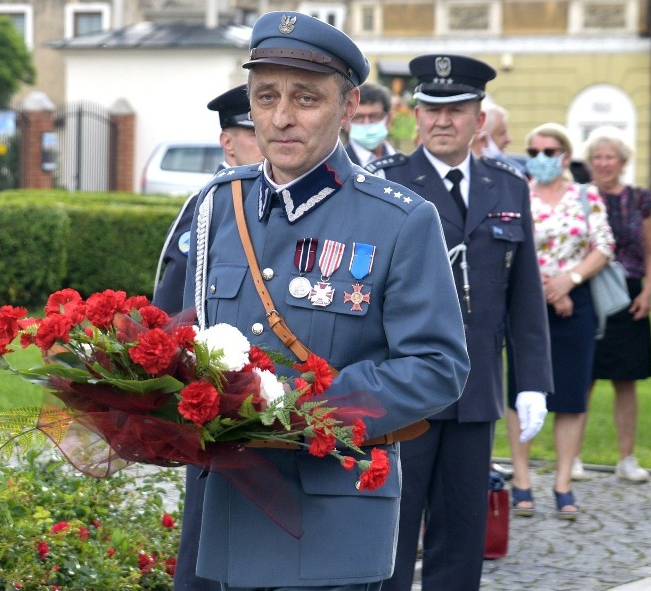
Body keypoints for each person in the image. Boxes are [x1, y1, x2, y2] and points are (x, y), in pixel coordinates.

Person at [179, 12, 471, 590]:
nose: (282, 117)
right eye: (266, 97)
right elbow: (191, 337)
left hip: (330, 520)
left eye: (306, 98)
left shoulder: (400, 220)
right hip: (223, 520)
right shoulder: (217, 207)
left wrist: (295, 405)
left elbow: (439, 367)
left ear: (347, 106)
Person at [368, 54, 553, 591]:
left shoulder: (508, 185)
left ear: (479, 118)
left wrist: (533, 382)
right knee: (393, 529)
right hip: (405, 388)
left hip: (475, 390)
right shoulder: (387, 184)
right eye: (431, 109)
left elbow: (523, 295)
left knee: (462, 534)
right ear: (416, 116)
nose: (442, 121)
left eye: (457, 109)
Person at [152, 83, 263, 591]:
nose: (269, 135)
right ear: (228, 143)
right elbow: (171, 310)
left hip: (284, 404)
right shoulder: (208, 208)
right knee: (206, 548)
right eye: (252, 129)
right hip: (218, 402)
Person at [505, 122, 615, 520]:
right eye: (533, 150)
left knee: (570, 394)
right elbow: (508, 247)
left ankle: (564, 482)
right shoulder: (517, 192)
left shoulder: (585, 195)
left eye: (548, 152)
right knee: (521, 390)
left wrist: (569, 281)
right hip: (526, 302)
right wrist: (544, 289)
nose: (540, 159)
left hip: (576, 299)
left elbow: (603, 244)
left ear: (565, 157)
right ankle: (521, 480)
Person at [576, 126, 651, 484]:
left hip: (629, 293)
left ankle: (627, 457)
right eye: (597, 157)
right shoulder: (578, 197)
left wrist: (649, 291)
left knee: (627, 379)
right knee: (584, 376)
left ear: (622, 161)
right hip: (589, 289)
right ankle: (573, 455)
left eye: (609, 157)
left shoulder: (640, 199)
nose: (603, 163)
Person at [153, 83, 263, 314]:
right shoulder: (207, 203)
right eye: (255, 134)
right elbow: (173, 300)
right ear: (227, 142)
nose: (265, 142)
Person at [344, 82, 396, 166]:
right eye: (358, 117)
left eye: (374, 116)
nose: (366, 123)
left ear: (388, 119)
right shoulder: (336, 166)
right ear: (346, 121)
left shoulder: (406, 163)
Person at [469, 102, 525, 174]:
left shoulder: (514, 173)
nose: (509, 139)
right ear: (483, 139)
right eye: (502, 133)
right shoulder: (460, 174)